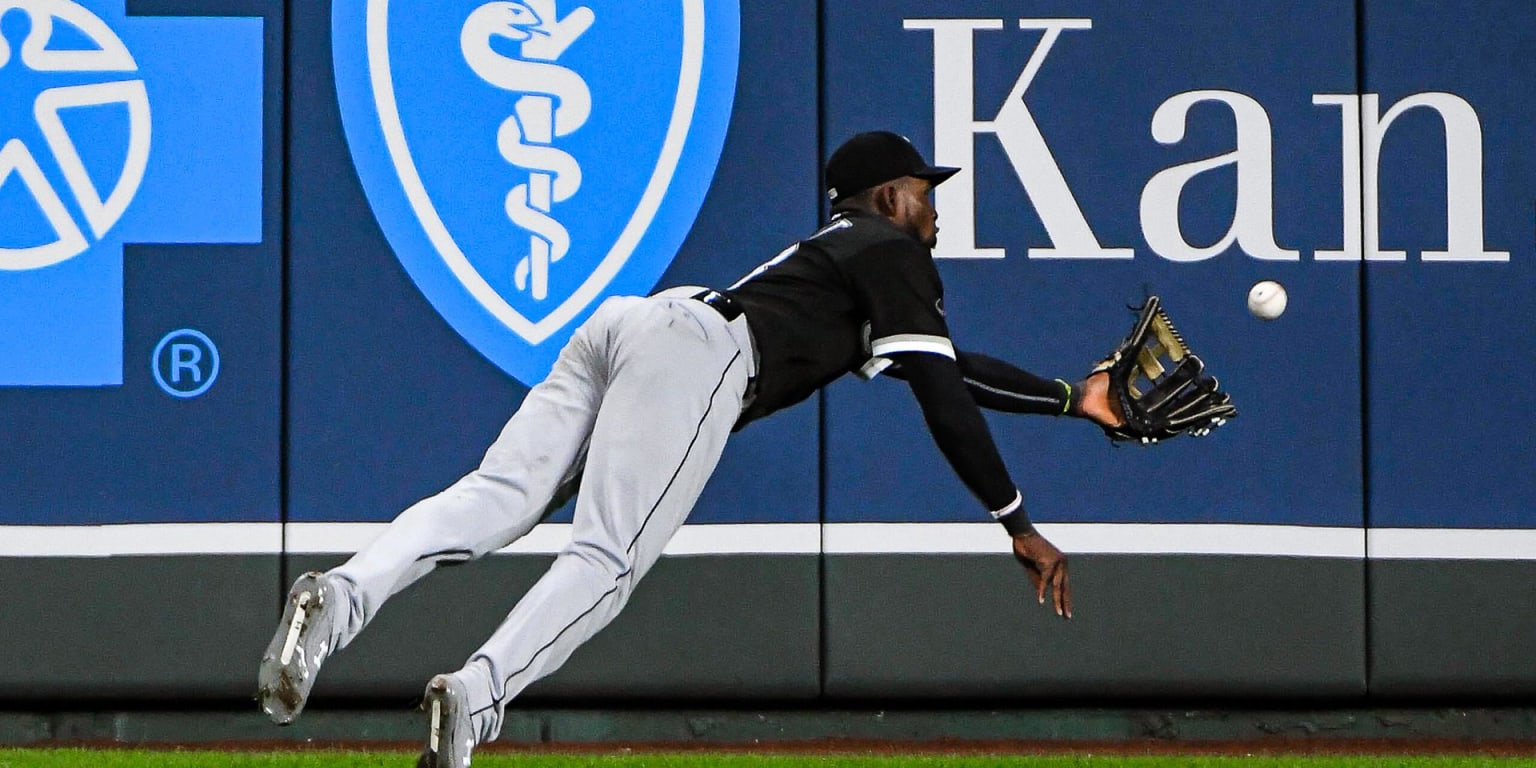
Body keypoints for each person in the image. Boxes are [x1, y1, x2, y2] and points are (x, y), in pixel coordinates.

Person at [257, 130, 1124, 767]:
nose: (934, 211)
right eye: (925, 193)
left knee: (498, 496)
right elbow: (940, 395)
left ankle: (338, 598)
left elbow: (945, 368)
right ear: (891, 197)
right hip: (705, 357)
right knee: (606, 560)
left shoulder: (841, 260)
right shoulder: (894, 254)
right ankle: (476, 696)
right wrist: (1017, 521)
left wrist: (1067, 399)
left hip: (634, 323)